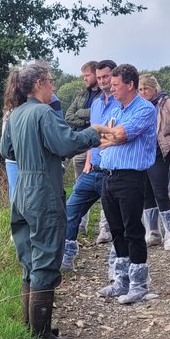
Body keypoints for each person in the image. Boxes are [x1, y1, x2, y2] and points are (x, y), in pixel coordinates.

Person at [0, 61, 101, 339]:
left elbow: (6, 150)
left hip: (21, 190)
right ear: (39, 83)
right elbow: (67, 144)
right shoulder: (43, 113)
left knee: (29, 259)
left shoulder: (16, 113)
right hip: (43, 191)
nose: (54, 86)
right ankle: (41, 333)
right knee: (45, 258)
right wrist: (94, 132)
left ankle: (30, 326)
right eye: (51, 81)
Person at [93, 64, 159, 305]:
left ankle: (139, 284)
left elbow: (120, 134)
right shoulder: (116, 110)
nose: (111, 89)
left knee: (133, 229)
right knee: (116, 229)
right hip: (109, 177)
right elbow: (102, 139)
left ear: (130, 85)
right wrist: (111, 136)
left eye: (115, 84)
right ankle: (121, 281)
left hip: (130, 177)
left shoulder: (144, 109)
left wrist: (109, 134)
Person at [61, 60, 117, 272]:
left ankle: (119, 268)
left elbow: (118, 136)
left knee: (117, 220)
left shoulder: (122, 103)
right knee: (71, 209)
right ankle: (66, 258)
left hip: (114, 172)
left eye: (106, 77)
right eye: (100, 77)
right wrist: (88, 160)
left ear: (115, 76)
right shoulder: (95, 104)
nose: (102, 81)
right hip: (93, 168)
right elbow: (95, 136)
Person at [138, 73, 170, 251]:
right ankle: (153, 232)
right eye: (140, 89)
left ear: (155, 88)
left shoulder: (168, 104)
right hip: (142, 153)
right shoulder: (138, 106)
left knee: (161, 192)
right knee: (146, 193)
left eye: (146, 89)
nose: (143, 92)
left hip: (159, 152)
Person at [66, 60, 100, 236]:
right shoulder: (81, 95)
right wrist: (88, 123)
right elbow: (69, 115)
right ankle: (80, 224)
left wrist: (84, 115)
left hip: (98, 145)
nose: (85, 78)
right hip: (80, 144)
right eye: (83, 76)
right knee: (80, 186)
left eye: (87, 75)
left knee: (105, 192)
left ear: (95, 74)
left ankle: (105, 228)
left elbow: (98, 115)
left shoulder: (104, 95)